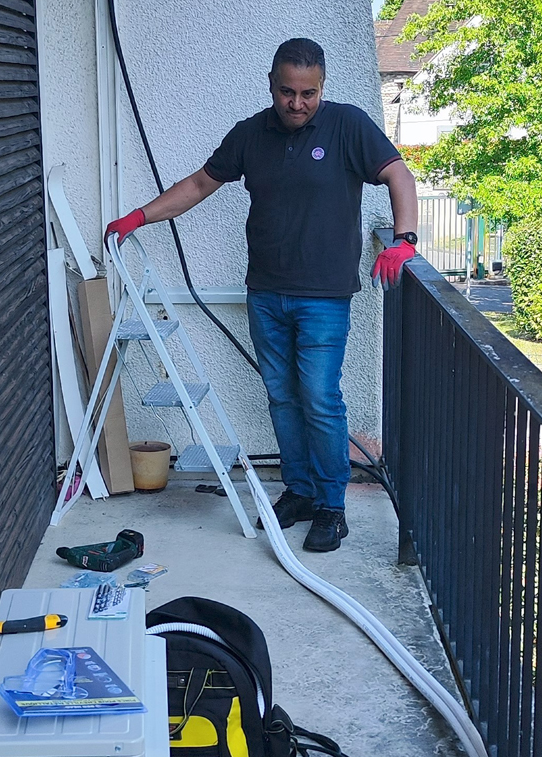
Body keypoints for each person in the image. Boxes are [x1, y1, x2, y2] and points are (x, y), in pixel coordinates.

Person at [105, 38, 418, 553]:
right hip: (266, 293)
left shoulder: (348, 125)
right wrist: (139, 216)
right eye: (287, 92)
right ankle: (298, 490)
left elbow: (397, 176)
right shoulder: (251, 134)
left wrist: (404, 241)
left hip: (323, 296)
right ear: (272, 86)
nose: (298, 103)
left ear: (322, 88)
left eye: (308, 93)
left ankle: (331, 507)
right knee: (282, 396)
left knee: (320, 398)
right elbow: (200, 184)